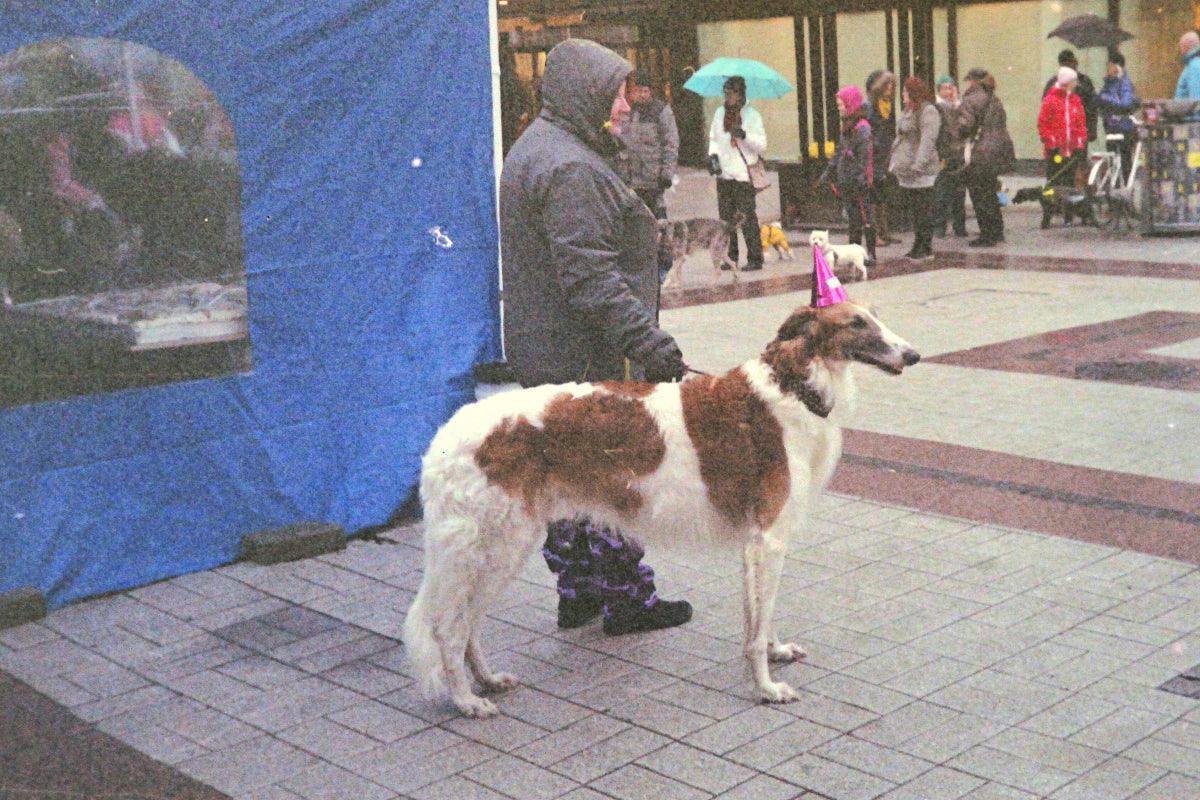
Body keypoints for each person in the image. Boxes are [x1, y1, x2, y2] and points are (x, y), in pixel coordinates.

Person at [499, 38, 692, 637]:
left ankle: (578, 591)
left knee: (565, 479)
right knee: (608, 477)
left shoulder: (543, 146)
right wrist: (650, 343)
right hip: (580, 353)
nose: (625, 106)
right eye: (615, 92)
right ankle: (627, 599)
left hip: (547, 346)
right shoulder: (572, 166)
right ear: (583, 90)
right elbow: (589, 278)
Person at [616, 70, 679, 283]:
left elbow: (671, 144)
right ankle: (640, 267)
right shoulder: (627, 111)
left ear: (650, 91)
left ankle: (663, 267)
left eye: (645, 91)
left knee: (659, 227)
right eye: (637, 91)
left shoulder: (661, 111)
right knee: (634, 228)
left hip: (654, 181)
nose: (641, 95)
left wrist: (666, 174)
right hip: (631, 181)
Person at [707, 75, 766, 272]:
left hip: (743, 175)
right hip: (724, 174)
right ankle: (730, 256)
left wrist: (744, 135)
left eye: (731, 93)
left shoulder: (752, 115)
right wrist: (712, 157)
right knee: (726, 219)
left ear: (740, 94)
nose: (727, 97)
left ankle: (755, 258)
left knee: (747, 217)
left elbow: (762, 145)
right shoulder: (719, 113)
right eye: (725, 93)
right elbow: (714, 138)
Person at [955, 68, 1014, 247]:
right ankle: (997, 231)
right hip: (999, 149)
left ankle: (987, 235)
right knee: (990, 190)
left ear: (973, 81)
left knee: (979, 192)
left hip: (981, 151)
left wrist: (956, 133)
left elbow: (966, 125)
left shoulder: (970, 99)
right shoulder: (994, 99)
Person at [820, 85, 876, 267]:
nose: (839, 107)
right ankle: (855, 251)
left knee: (865, 216)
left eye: (841, 104)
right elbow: (839, 151)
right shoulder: (848, 125)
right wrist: (829, 171)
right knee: (853, 219)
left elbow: (865, 157)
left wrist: (861, 179)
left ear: (851, 104)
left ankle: (871, 254)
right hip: (846, 180)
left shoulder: (862, 128)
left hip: (858, 182)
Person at [889, 77, 941, 261]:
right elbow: (901, 136)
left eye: (905, 91)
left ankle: (925, 246)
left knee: (923, 210)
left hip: (922, 171)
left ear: (913, 92)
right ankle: (917, 244)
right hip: (906, 170)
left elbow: (928, 141)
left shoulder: (928, 111)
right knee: (915, 210)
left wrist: (918, 165)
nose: (902, 94)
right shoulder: (908, 110)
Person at [1038, 66, 1094, 228]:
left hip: (1072, 150)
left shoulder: (1076, 100)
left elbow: (1081, 124)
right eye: (1074, 81)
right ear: (1067, 82)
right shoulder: (1050, 100)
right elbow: (1043, 124)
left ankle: (1068, 216)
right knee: (1053, 182)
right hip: (1055, 150)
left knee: (1070, 184)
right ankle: (1047, 215)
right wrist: (1052, 142)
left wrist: (1080, 142)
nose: (1076, 84)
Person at [865, 70, 899, 246]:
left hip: (885, 156)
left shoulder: (887, 105)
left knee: (883, 194)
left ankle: (885, 232)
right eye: (887, 84)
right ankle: (875, 233)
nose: (890, 88)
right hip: (873, 156)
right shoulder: (870, 107)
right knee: (873, 194)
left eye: (892, 84)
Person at [932, 75, 968, 238]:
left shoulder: (960, 106)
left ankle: (959, 226)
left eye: (950, 87)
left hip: (959, 154)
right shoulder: (937, 108)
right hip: (944, 154)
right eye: (944, 88)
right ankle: (940, 226)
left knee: (959, 193)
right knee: (941, 192)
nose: (948, 91)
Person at [1097, 50, 1139, 184]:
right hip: (1111, 128)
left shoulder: (1125, 83)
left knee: (1125, 161)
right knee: (1112, 160)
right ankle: (1115, 188)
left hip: (1124, 128)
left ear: (1116, 67)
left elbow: (1126, 103)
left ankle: (1125, 187)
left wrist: (1106, 98)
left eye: (1109, 65)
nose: (1107, 68)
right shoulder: (1108, 83)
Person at [1044, 50, 1098, 146]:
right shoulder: (1084, 82)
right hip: (1066, 134)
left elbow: (1092, 108)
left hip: (1069, 134)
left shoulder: (1083, 82)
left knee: (1069, 159)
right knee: (1072, 159)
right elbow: (1092, 108)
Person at [1177, 30, 1200, 102]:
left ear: (1186, 46)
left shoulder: (1194, 66)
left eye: (1181, 46)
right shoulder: (1193, 64)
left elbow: (1195, 101)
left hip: (1189, 113)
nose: (1180, 51)